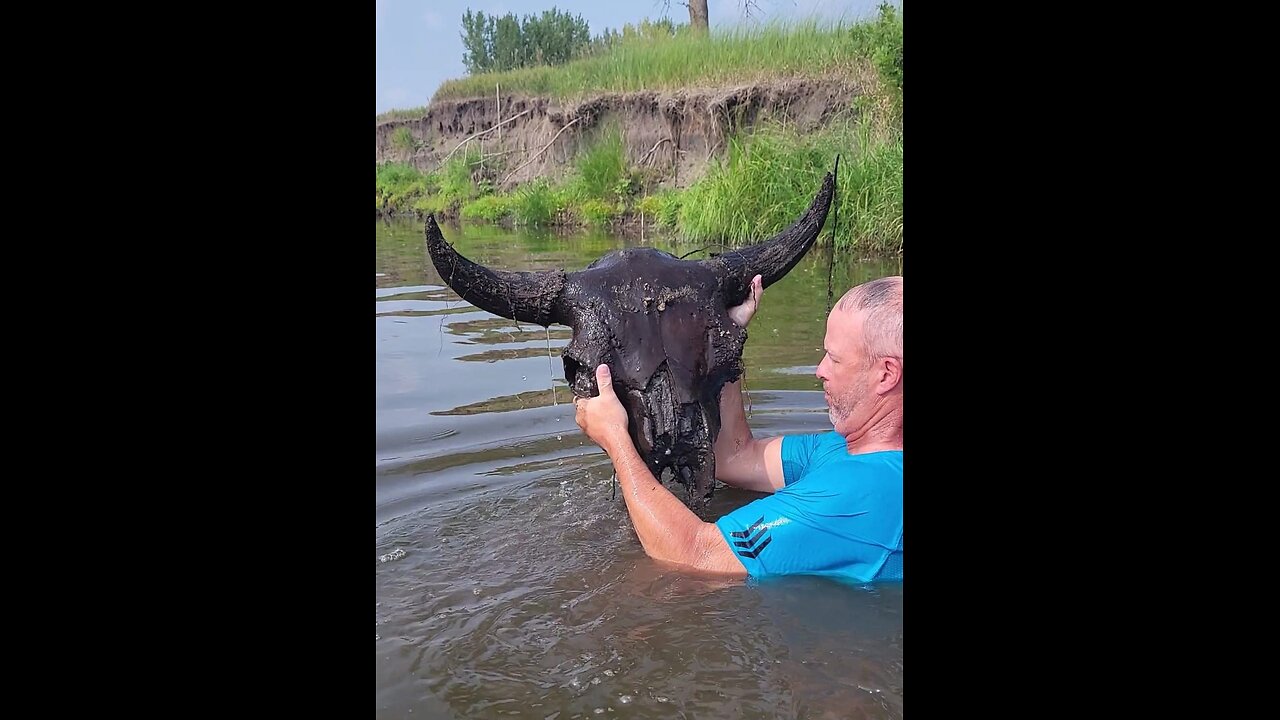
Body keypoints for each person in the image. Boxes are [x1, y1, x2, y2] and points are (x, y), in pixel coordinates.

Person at [574, 274, 902, 582]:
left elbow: (693, 555)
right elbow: (736, 458)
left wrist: (615, 437)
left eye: (834, 358)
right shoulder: (844, 450)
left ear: (886, 374)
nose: (820, 370)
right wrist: (727, 342)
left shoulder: (862, 491)